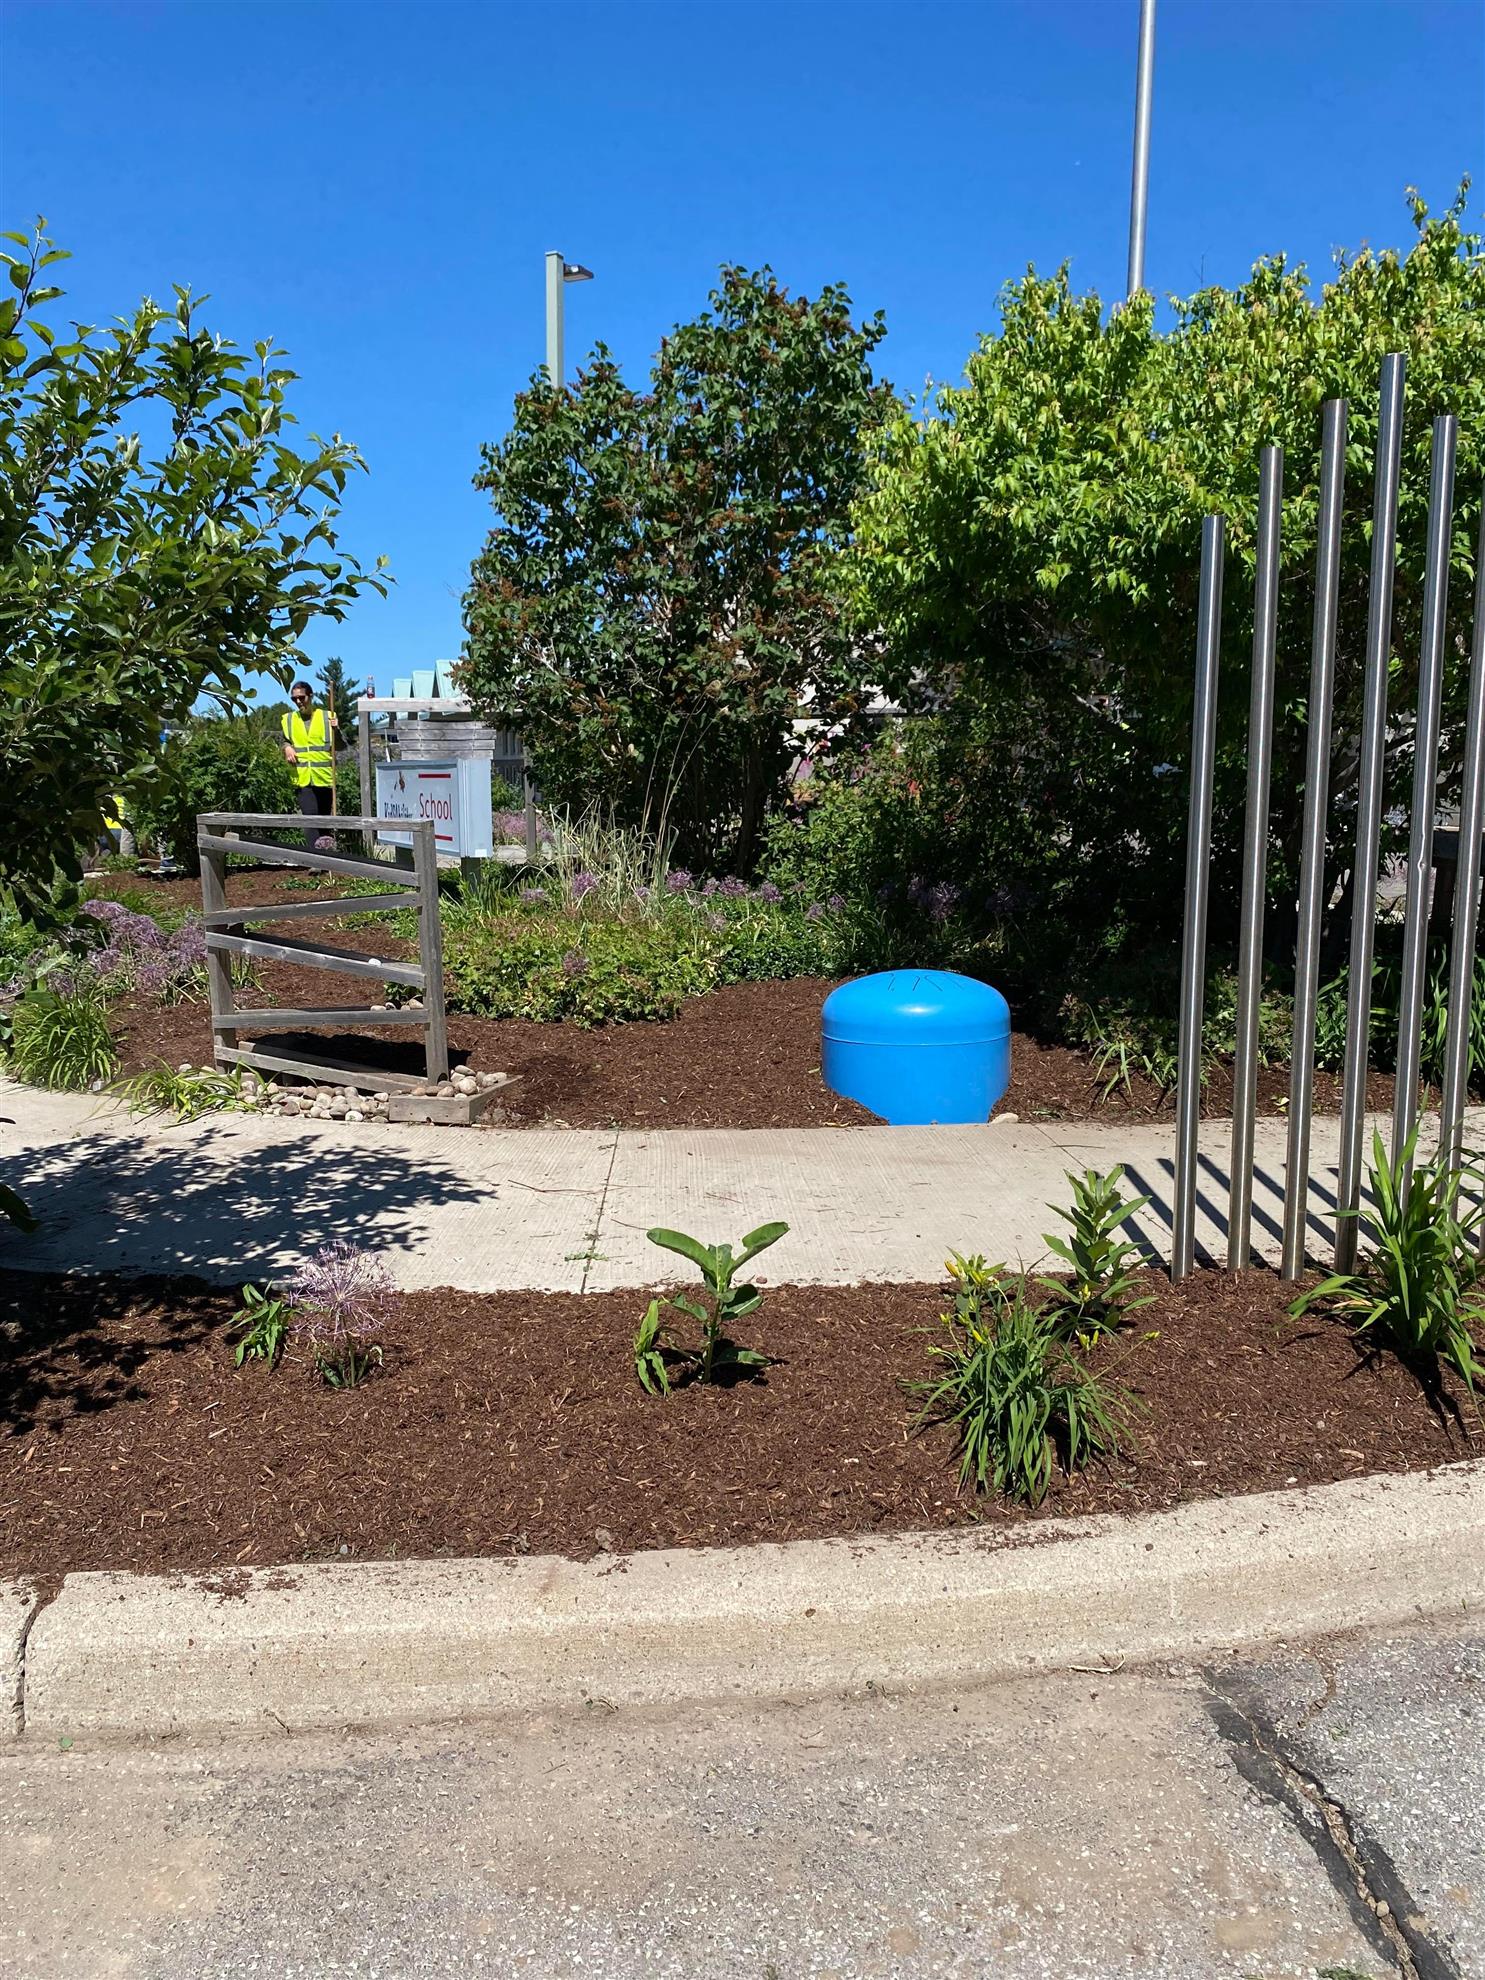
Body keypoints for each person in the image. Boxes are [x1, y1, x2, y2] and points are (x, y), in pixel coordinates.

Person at [281, 681, 337, 849]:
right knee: (309, 818)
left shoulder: (327, 717)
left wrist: (337, 729)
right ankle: (315, 858)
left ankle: (327, 858)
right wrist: (287, 748)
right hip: (302, 777)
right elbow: (284, 741)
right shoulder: (289, 719)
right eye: (294, 699)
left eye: (301, 697)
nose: (298, 702)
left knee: (324, 820)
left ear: (310, 696)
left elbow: (340, 746)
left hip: (324, 777)